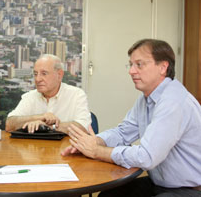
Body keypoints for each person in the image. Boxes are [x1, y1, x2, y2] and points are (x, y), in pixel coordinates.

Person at [62, 39, 201, 197]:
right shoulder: (146, 98)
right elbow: (123, 132)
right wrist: (94, 142)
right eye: (131, 64)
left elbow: (146, 157)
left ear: (163, 67)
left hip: (190, 189)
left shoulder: (173, 102)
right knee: (108, 195)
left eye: (139, 64)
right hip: (161, 184)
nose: (131, 71)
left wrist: (96, 151)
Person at [5, 54, 91, 134]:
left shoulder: (76, 95)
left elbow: (83, 127)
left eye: (44, 74)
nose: (38, 79)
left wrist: (46, 127)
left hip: (65, 148)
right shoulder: (30, 96)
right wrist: (40, 117)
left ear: (59, 75)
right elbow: (9, 125)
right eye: (35, 74)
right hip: (34, 148)